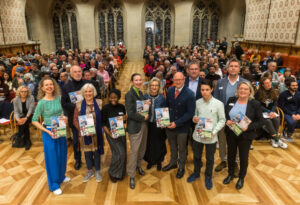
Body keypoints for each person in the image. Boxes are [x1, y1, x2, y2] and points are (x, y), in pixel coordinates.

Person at [32, 77, 70, 195]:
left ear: (54, 86)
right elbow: (34, 120)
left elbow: (61, 113)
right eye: (46, 85)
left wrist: (65, 118)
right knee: (52, 159)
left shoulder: (58, 98)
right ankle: (54, 184)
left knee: (62, 155)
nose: (49, 86)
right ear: (42, 88)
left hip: (60, 130)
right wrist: (47, 131)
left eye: (51, 84)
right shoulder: (41, 103)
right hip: (49, 132)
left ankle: (61, 177)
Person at [223, 81, 263, 190]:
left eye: (246, 89)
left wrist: (248, 127)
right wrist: (227, 121)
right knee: (230, 155)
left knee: (243, 158)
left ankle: (241, 178)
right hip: (231, 132)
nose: (243, 91)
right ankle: (230, 174)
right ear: (237, 90)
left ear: (250, 91)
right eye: (241, 88)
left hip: (245, 135)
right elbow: (225, 114)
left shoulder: (255, 103)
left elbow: (260, 121)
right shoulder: (231, 100)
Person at [187, 79, 225, 190]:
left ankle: (208, 176)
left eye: (207, 90)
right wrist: (194, 118)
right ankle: (196, 172)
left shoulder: (219, 104)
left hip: (211, 137)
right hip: (198, 135)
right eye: (202, 90)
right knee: (197, 156)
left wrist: (214, 132)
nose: (204, 92)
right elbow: (194, 117)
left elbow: (222, 120)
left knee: (210, 158)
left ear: (212, 90)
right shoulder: (197, 102)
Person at [213, 59, 248, 175]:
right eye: (231, 66)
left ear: (239, 69)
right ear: (227, 69)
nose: (233, 68)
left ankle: (236, 162)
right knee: (222, 140)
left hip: (239, 119)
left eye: (235, 66)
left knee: (237, 140)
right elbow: (216, 100)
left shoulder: (245, 82)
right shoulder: (220, 82)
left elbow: (250, 100)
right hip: (223, 118)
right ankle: (224, 160)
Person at [162, 72, 195, 179]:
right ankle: (173, 163)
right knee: (172, 146)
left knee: (182, 149)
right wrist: (164, 121)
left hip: (182, 127)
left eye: (180, 79)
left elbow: (190, 113)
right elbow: (167, 106)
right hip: (169, 125)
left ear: (184, 80)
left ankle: (181, 167)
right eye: (176, 80)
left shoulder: (190, 94)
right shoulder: (170, 90)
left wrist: (176, 123)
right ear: (173, 80)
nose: (178, 82)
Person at [73, 83, 104, 183]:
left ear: (93, 92)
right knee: (87, 153)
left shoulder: (100, 102)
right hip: (84, 134)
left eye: (90, 91)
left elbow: (104, 117)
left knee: (97, 152)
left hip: (97, 133)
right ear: (83, 93)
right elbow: (75, 120)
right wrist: (83, 130)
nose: (88, 93)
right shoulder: (78, 104)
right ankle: (90, 171)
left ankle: (98, 171)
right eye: (86, 91)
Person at [61, 65, 88, 170]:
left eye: (79, 71)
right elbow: (64, 103)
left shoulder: (87, 84)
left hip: (87, 116)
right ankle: (78, 160)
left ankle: (91, 158)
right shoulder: (66, 87)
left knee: (88, 139)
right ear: (71, 74)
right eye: (75, 72)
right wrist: (77, 107)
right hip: (74, 118)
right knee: (76, 141)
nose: (78, 73)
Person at [125, 73, 149, 189]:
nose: (139, 82)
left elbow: (141, 108)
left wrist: (146, 104)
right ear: (132, 81)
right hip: (135, 126)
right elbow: (130, 113)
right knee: (134, 151)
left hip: (143, 125)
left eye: (140, 80)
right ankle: (131, 175)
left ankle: (139, 166)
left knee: (142, 148)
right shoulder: (129, 94)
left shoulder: (140, 93)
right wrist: (142, 117)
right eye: (136, 80)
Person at [102, 89, 127, 182]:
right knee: (120, 153)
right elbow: (103, 123)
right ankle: (112, 172)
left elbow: (124, 120)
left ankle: (120, 173)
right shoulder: (105, 108)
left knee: (121, 152)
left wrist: (125, 118)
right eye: (111, 97)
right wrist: (109, 134)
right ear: (109, 97)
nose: (113, 99)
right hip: (110, 132)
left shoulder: (121, 106)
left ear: (118, 97)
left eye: (115, 97)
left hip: (121, 131)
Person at [255, 77, 287, 148]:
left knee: (277, 119)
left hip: (270, 113)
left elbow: (275, 103)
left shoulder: (273, 91)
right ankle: (276, 139)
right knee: (268, 121)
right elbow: (258, 106)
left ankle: (272, 139)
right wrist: (268, 111)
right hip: (260, 112)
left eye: (269, 82)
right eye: (266, 83)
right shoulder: (258, 93)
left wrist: (272, 112)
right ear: (262, 85)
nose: (269, 84)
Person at [144, 77, 167, 171]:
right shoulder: (145, 97)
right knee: (149, 142)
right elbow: (141, 111)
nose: (154, 87)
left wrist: (164, 123)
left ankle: (159, 161)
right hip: (148, 124)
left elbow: (165, 110)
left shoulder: (162, 98)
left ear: (159, 87)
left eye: (156, 85)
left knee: (159, 142)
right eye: (152, 85)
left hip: (158, 124)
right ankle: (150, 160)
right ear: (149, 86)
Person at [13, 86, 35, 150]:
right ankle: (27, 140)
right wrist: (18, 120)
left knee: (24, 122)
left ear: (27, 92)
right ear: (19, 92)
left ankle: (20, 137)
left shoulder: (31, 98)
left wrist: (26, 118)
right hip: (21, 115)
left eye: (25, 91)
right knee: (23, 123)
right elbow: (16, 111)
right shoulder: (16, 99)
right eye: (22, 92)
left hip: (30, 114)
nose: (24, 93)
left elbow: (31, 109)